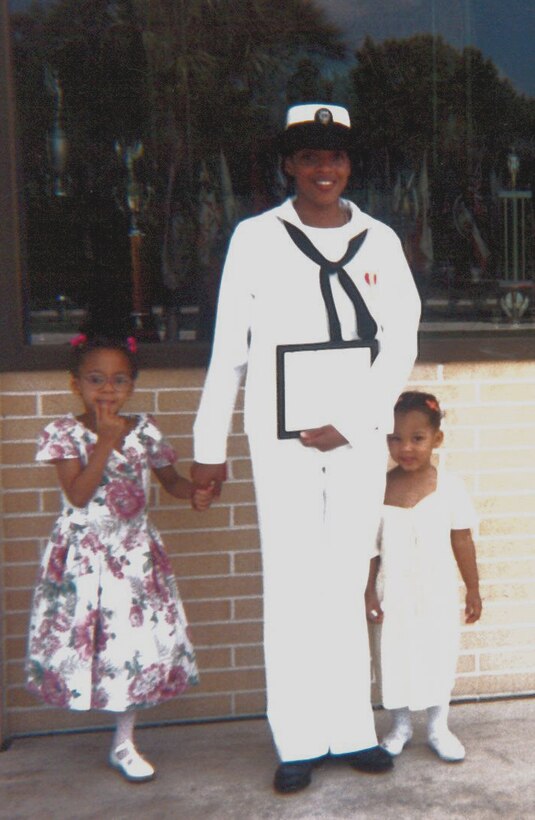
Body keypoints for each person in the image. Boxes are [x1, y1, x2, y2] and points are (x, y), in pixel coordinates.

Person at [191, 102, 421, 793]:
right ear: (288, 163)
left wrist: (352, 420)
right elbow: (230, 348)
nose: (325, 168)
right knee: (293, 581)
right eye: (310, 155)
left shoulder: (379, 239)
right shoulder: (256, 238)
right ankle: (295, 737)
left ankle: (350, 727)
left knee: (347, 577)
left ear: (350, 164)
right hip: (280, 434)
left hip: (354, 437)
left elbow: (400, 338)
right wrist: (210, 445)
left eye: (336, 155)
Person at [26, 331, 214, 782]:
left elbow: (169, 481)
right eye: (95, 380)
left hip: (133, 554)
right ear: (76, 384)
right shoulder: (63, 434)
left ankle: (125, 741)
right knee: (94, 642)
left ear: (131, 385)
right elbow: (77, 494)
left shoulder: (144, 430)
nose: (107, 390)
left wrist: (194, 493)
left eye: (118, 381)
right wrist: (106, 442)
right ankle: (112, 729)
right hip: (84, 556)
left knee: (131, 644)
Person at [365, 391, 482, 763]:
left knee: (437, 653)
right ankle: (399, 726)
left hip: (437, 591)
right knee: (392, 655)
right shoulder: (377, 489)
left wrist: (473, 589)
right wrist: (369, 593)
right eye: (396, 438)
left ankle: (437, 726)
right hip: (392, 591)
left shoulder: (450, 487)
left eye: (417, 438)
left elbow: (462, 538)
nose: (406, 448)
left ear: (437, 439)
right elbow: (371, 550)